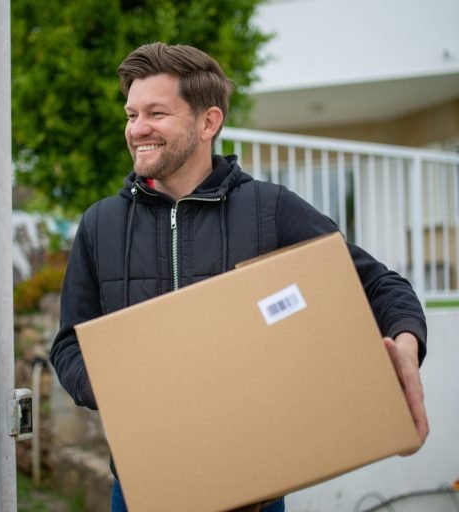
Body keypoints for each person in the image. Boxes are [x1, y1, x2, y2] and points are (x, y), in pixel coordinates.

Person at [50, 42, 429, 512]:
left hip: (255, 486)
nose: (137, 129)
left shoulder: (269, 209)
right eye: (131, 114)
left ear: (208, 122)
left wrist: (406, 342)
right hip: (143, 487)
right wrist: (115, 387)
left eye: (156, 113)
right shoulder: (100, 224)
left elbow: (380, 286)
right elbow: (68, 344)